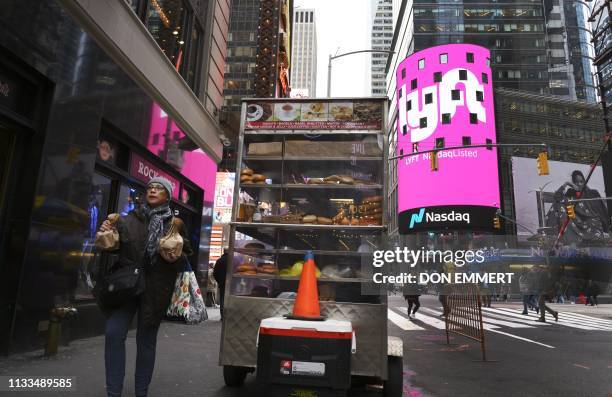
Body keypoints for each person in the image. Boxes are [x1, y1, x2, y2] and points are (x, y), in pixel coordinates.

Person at [97, 177, 192, 397]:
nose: (153, 190)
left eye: (159, 188)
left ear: (168, 196)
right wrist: (106, 234)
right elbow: (114, 249)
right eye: (150, 187)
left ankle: (142, 392)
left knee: (146, 341)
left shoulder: (175, 224)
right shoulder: (128, 219)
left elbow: (184, 257)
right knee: (113, 334)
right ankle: (113, 393)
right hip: (127, 285)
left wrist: (174, 253)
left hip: (156, 287)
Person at [546, 170, 611, 245]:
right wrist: (566, 183)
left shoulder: (592, 193)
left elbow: (601, 212)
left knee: (594, 224)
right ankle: (564, 238)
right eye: (576, 182)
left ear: (584, 182)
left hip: (589, 222)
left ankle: (589, 238)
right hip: (576, 222)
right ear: (573, 183)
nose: (579, 184)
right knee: (559, 205)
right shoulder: (570, 193)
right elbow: (557, 197)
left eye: (581, 181)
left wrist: (606, 227)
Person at [212, 249, 228, 319]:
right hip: (232, 284)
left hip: (222, 284)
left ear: (223, 252)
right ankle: (229, 316)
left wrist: (219, 281)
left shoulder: (219, 260)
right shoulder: (234, 260)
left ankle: (223, 317)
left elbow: (214, 273)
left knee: (222, 299)